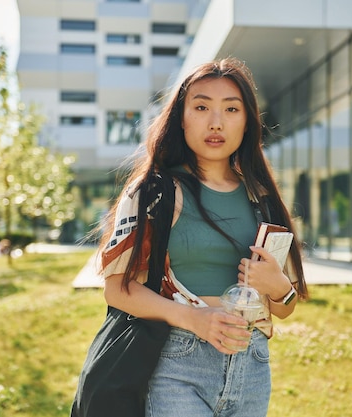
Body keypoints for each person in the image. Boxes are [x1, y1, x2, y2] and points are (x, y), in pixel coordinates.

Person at [97, 57, 308, 417]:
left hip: (252, 365)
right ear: (181, 117)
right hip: (177, 364)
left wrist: (277, 287)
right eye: (201, 106)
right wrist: (194, 319)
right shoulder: (153, 191)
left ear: (246, 121)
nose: (216, 122)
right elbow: (117, 289)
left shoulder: (261, 197)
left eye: (231, 109)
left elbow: (283, 308)